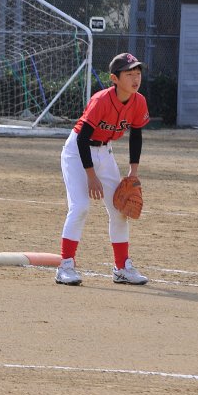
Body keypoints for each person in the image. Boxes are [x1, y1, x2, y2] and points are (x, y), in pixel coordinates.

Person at [54, 52, 150, 287]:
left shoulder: (139, 101)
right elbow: (82, 138)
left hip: (105, 152)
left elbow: (136, 135)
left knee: (120, 209)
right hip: (77, 152)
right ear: (114, 78)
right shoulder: (101, 100)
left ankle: (122, 268)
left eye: (138, 73)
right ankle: (65, 266)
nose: (135, 78)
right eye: (129, 74)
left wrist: (133, 171)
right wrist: (91, 176)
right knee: (80, 207)